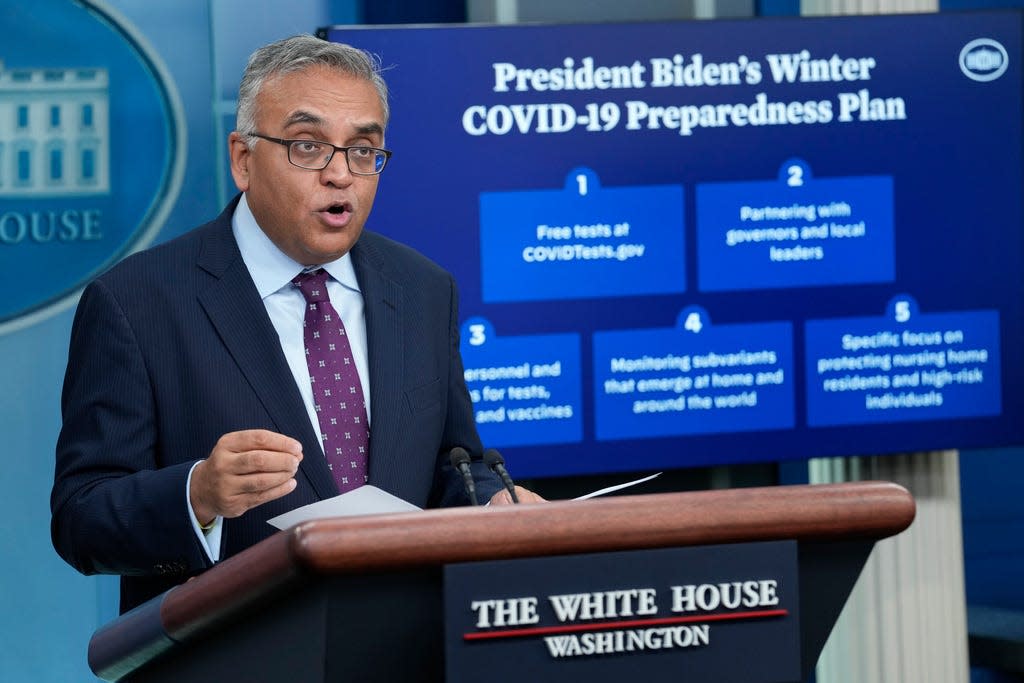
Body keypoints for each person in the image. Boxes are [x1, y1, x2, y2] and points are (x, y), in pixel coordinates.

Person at [51, 34, 540, 614]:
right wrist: (197, 495)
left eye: (363, 150)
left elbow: (454, 464)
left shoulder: (423, 290)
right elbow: (81, 517)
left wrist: (490, 505)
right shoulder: (138, 301)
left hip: (405, 644)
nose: (341, 175)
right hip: (235, 652)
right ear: (242, 159)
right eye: (308, 146)